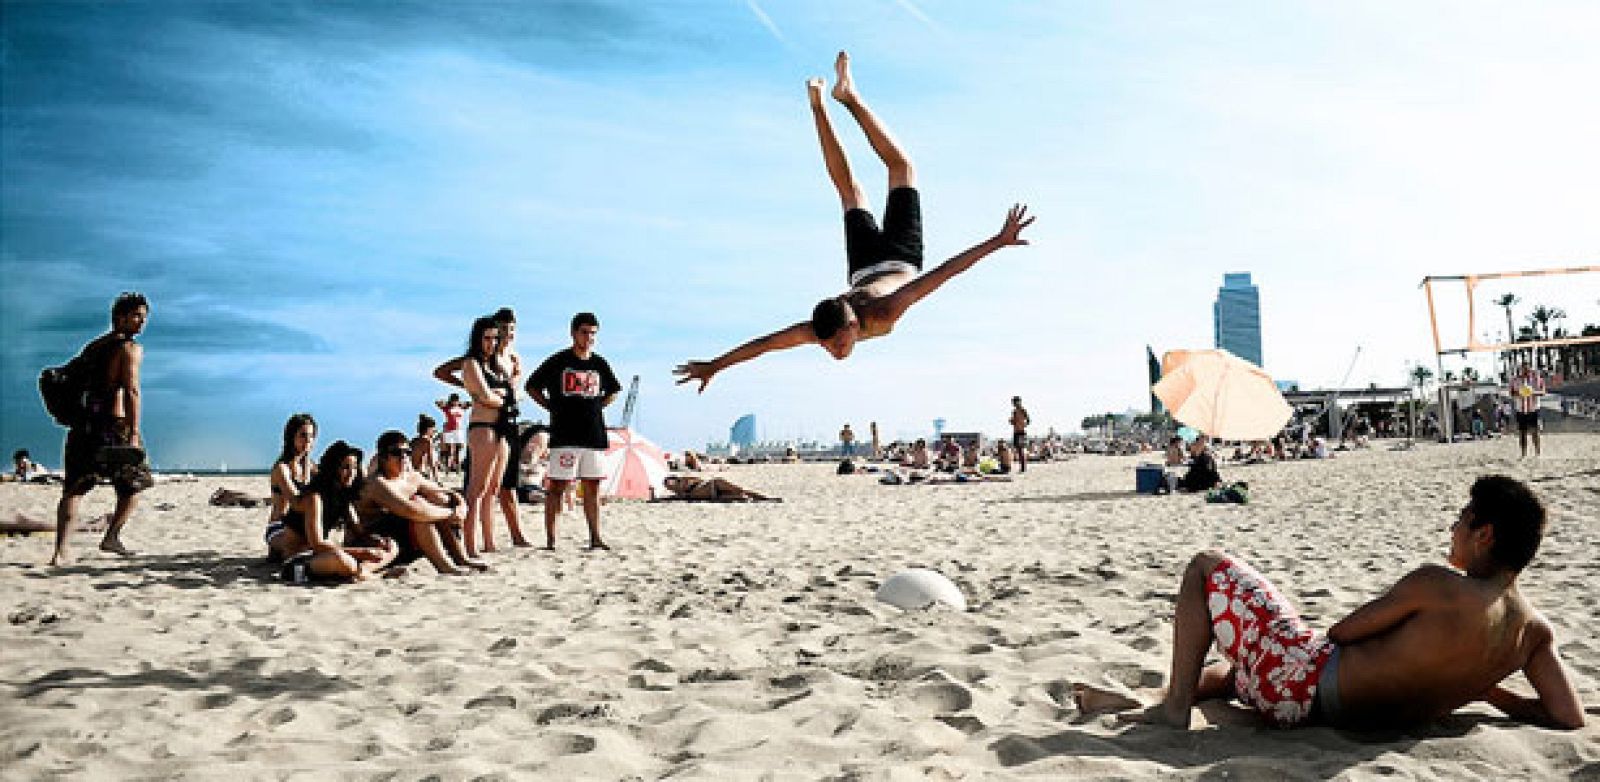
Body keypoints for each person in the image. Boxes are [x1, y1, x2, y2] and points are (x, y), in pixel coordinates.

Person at [1075, 476, 1585, 731]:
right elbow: (1569, 717)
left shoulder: (1439, 585)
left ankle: (1172, 710)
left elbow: (1341, 633)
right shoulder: (1533, 631)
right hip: (1336, 716)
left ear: (1484, 534)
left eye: (1462, 519)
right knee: (1242, 670)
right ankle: (1154, 698)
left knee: (1205, 565)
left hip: (1300, 689)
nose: (1453, 528)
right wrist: (1489, 691)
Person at [673, 52, 1034, 392]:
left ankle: (845, 98)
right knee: (851, 191)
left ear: (850, 324)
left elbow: (944, 273)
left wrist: (997, 241)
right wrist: (716, 366)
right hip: (864, 269)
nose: (834, 351)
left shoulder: (885, 311)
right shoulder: (822, 327)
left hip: (898, 258)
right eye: (829, 347)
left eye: (837, 344)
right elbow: (767, 344)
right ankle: (821, 105)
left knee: (897, 171)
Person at [51, 293, 154, 566]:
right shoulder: (129, 349)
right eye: (136, 316)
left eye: (144, 317)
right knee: (135, 484)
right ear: (120, 317)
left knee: (74, 488)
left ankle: (61, 551)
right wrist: (133, 431)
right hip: (114, 426)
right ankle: (111, 536)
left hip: (84, 424)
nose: (142, 322)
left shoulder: (94, 346)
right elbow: (131, 390)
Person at [437, 308, 531, 551]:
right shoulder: (471, 363)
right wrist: (501, 398)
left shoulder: (497, 364)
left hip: (502, 426)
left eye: (494, 338)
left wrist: (503, 395)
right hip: (484, 427)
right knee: (476, 489)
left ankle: (489, 542)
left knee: (493, 489)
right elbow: (485, 396)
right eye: (487, 338)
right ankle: (469, 545)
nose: (491, 343)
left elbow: (509, 390)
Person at [527, 312, 622, 551]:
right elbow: (532, 386)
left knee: (592, 487)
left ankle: (595, 537)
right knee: (557, 487)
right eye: (584, 332)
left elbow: (613, 390)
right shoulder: (559, 361)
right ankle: (551, 540)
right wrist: (550, 406)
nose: (589, 338)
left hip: (593, 434)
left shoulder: (599, 364)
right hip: (565, 434)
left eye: (593, 333)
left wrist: (598, 405)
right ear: (573, 333)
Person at [265, 440, 398, 581]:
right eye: (345, 468)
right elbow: (317, 544)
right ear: (333, 469)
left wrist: (377, 542)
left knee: (392, 547)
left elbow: (360, 532)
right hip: (299, 559)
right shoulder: (314, 498)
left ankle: (363, 572)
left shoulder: (343, 497)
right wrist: (362, 552)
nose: (351, 473)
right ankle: (368, 573)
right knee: (342, 560)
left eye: (354, 467)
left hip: (321, 556)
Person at [356, 430, 483, 575]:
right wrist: (451, 513)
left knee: (440, 499)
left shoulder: (411, 477)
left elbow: (448, 492)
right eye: (397, 453)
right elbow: (411, 510)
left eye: (407, 452)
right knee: (420, 511)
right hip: (377, 544)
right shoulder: (377, 484)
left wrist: (460, 506)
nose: (403, 457)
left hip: (404, 544)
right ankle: (445, 566)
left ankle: (461, 558)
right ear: (383, 457)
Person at [265, 413, 317, 560]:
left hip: (301, 525)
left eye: (311, 436)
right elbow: (296, 502)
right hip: (279, 526)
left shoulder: (310, 466)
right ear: (291, 437)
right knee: (311, 548)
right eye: (303, 435)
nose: (308, 440)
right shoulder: (282, 468)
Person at [1509, 363, 1546, 457]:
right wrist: (1520, 393)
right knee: (1522, 433)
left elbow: (1543, 392)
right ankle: (1523, 454)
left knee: (1535, 431)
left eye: (1527, 369)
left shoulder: (1537, 379)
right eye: (1524, 369)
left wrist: (1532, 392)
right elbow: (1512, 393)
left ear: (1530, 369)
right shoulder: (1515, 380)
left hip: (1534, 409)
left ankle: (1537, 453)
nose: (1526, 371)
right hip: (1520, 409)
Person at [661, 475, 777, 502]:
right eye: (667, 485)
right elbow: (666, 499)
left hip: (714, 485)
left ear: (674, 479)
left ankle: (767, 499)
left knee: (741, 490)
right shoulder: (678, 494)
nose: (668, 485)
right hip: (713, 496)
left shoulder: (685, 480)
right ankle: (762, 500)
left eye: (668, 482)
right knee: (742, 497)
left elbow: (701, 480)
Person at [434, 393, 470, 473]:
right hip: (449, 430)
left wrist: (461, 404)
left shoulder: (461, 408)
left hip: (458, 430)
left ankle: (458, 469)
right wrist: (446, 403)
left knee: (458, 450)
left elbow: (470, 403)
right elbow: (437, 402)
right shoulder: (447, 408)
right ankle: (447, 468)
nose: (455, 401)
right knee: (449, 450)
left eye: (456, 400)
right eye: (454, 400)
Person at [411, 413, 440, 483]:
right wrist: (436, 479)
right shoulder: (427, 441)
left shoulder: (414, 440)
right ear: (428, 429)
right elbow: (431, 461)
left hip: (412, 472)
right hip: (420, 474)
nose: (434, 430)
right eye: (433, 428)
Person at [1008, 396, 1032, 473]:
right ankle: (1022, 466)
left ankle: (1023, 467)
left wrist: (1023, 425)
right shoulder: (1014, 411)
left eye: (1014, 402)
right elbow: (1014, 421)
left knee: (1021, 449)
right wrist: (1012, 421)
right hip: (1016, 431)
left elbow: (1028, 420)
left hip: (1021, 431)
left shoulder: (1022, 410)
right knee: (1018, 449)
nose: (1013, 404)